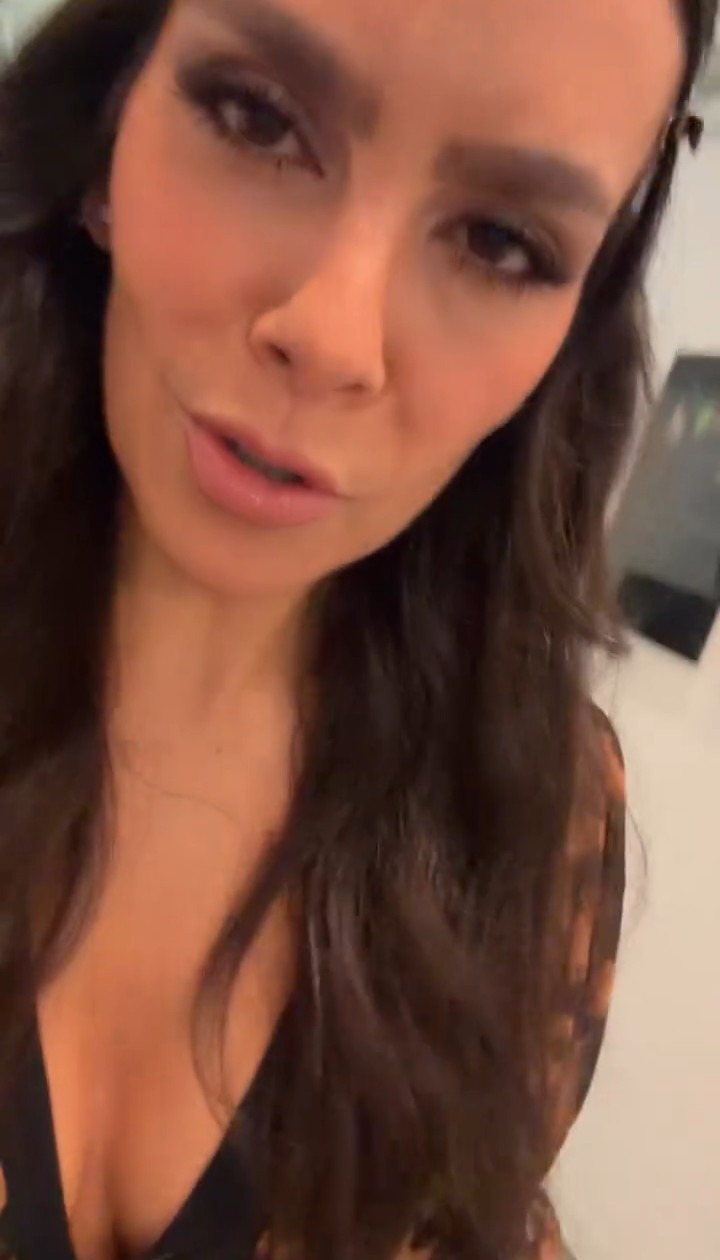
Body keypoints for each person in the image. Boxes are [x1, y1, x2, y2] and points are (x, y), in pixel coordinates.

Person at [0, 1, 715, 1258]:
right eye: (256, 119)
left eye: (500, 242)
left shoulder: (542, 820)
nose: (332, 337)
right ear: (106, 130)